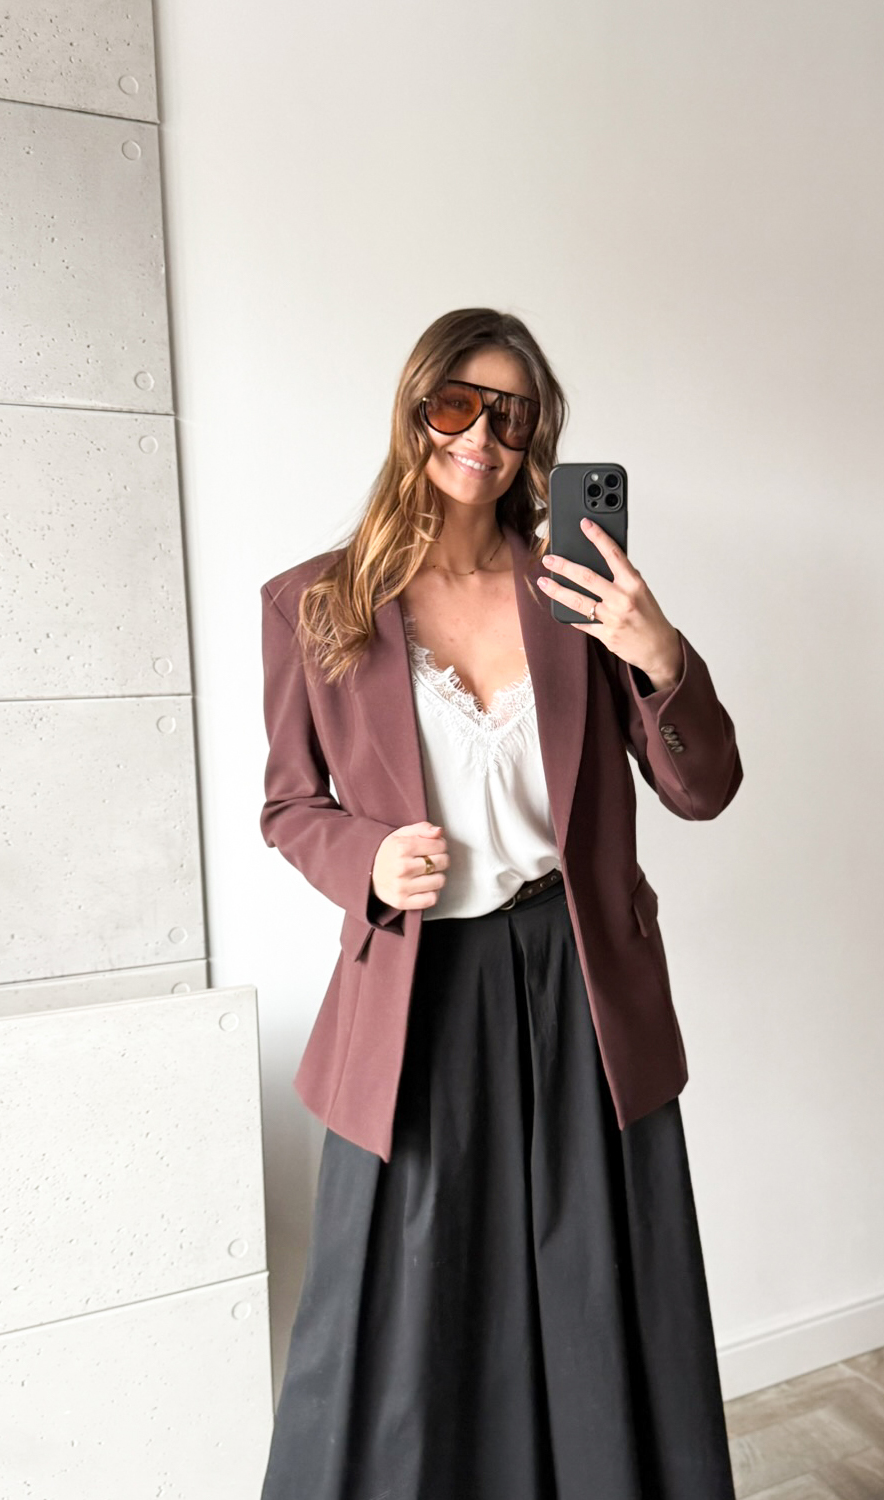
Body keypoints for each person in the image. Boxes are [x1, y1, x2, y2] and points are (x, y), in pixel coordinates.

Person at [257, 307, 743, 1499]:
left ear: (537, 437)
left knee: (598, 1291)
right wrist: (367, 861)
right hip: (417, 993)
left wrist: (659, 654)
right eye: (455, 406)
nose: (479, 437)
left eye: (509, 416)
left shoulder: (578, 592)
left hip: (580, 982)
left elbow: (704, 789)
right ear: (414, 411)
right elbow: (289, 807)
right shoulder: (315, 602)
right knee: (406, 1305)